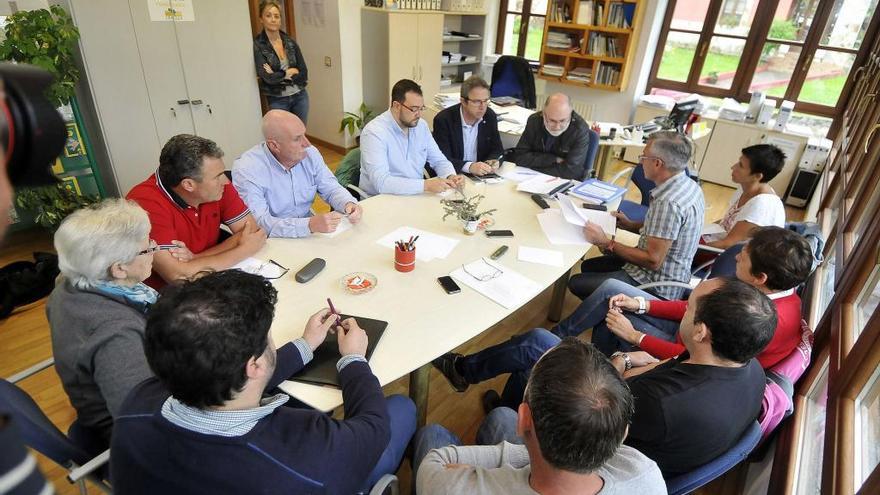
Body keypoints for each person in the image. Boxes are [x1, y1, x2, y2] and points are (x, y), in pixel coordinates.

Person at [111, 270, 416, 494]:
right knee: (401, 407)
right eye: (268, 338)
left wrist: (305, 345)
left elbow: (234, 371)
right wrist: (353, 360)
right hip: (328, 476)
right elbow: (375, 429)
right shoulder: (308, 452)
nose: (271, 342)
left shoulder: (137, 403)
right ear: (254, 364)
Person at [416, 338, 666, 495]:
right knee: (500, 415)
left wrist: (483, 469)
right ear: (623, 434)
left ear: (524, 419)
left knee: (432, 434)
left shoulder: (449, 486)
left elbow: (436, 460)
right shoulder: (645, 473)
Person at [46, 199, 176, 447]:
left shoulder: (68, 284)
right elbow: (142, 426)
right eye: (147, 245)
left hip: (127, 390)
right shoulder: (118, 336)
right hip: (137, 433)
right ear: (118, 269)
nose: (155, 247)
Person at [615, 278, 775, 476]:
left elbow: (593, 410)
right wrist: (628, 361)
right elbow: (665, 365)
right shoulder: (752, 368)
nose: (684, 311)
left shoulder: (661, 401)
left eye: (688, 307)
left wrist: (619, 361)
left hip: (615, 464)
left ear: (700, 332)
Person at [587, 226, 813, 366]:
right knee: (614, 297)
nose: (735, 259)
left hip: (685, 353)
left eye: (742, 258)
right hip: (687, 333)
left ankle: (600, 370)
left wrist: (636, 336)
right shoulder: (760, 291)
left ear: (760, 277)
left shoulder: (763, 320)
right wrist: (642, 304)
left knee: (609, 320)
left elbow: (697, 358)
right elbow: (695, 306)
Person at [568, 130, 705, 301]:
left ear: (657, 163)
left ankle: (619, 313)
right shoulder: (688, 185)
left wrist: (606, 242)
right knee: (589, 266)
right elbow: (666, 232)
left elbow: (652, 260)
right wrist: (630, 224)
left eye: (644, 157)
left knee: (576, 283)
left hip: (655, 285)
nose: (640, 162)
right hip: (667, 274)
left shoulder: (668, 202)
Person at [127, 134, 267, 288]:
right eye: (217, 177)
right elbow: (178, 277)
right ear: (188, 185)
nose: (226, 181)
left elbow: (252, 232)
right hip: (167, 297)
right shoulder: (145, 203)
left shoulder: (218, 187)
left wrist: (195, 259)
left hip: (211, 280)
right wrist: (243, 250)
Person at [233, 110, 363, 237]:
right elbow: (259, 223)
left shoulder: (310, 153)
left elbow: (331, 188)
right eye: (297, 139)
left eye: (304, 135)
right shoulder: (247, 169)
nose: (307, 143)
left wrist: (348, 203)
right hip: (272, 240)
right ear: (274, 146)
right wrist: (308, 225)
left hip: (307, 232)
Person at [359, 79, 464, 196]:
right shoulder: (374, 132)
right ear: (396, 105)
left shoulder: (421, 126)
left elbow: (439, 160)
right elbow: (382, 183)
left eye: (421, 108)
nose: (419, 114)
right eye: (414, 109)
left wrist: (450, 176)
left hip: (414, 195)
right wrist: (426, 185)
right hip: (381, 201)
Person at [702, 144, 787, 249]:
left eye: (741, 165)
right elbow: (727, 221)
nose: (733, 167)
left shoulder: (762, 205)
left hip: (730, 258)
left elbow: (728, 245)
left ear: (757, 176)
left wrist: (689, 245)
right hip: (717, 241)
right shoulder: (745, 187)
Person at [509, 93, 593, 180]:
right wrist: (553, 159)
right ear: (543, 114)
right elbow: (520, 157)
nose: (557, 127)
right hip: (530, 179)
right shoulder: (534, 121)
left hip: (562, 182)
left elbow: (571, 172)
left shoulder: (579, 129)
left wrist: (533, 165)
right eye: (552, 120)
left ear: (570, 114)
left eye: (563, 121)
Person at [432, 76, 504, 176]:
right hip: (454, 175)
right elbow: (441, 158)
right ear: (463, 101)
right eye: (477, 101)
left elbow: (497, 149)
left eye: (486, 101)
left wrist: (494, 160)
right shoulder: (444, 120)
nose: (482, 107)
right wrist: (469, 166)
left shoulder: (489, 116)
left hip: (480, 176)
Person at [253, 0, 309, 123]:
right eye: (268, 15)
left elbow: (304, 72)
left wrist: (277, 74)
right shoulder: (258, 46)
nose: (273, 19)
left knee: (299, 136)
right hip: (278, 100)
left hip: (300, 96)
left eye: (276, 16)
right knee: (282, 138)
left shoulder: (290, 42)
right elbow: (268, 78)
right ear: (261, 19)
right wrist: (288, 73)